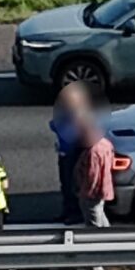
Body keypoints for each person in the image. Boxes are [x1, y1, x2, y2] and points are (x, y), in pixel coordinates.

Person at [49, 84, 88, 222]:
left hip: (72, 154)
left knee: (72, 184)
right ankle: (67, 211)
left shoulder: (77, 115)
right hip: (65, 153)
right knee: (65, 184)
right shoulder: (68, 114)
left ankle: (75, 213)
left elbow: (56, 126)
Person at [73, 116, 116, 228]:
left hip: (92, 193)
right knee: (100, 214)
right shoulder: (105, 144)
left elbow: (92, 176)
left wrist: (85, 193)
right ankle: (110, 237)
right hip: (103, 189)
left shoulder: (93, 152)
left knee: (93, 222)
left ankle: (99, 242)